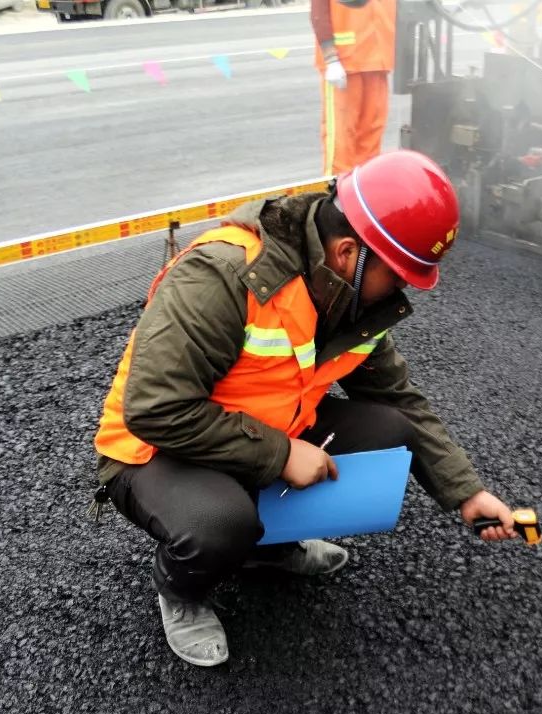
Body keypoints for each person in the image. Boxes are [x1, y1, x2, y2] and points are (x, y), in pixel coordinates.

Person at [93, 150, 519, 668]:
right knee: (220, 522)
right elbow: (155, 410)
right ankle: (181, 590)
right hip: (152, 450)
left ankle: (264, 548)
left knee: (391, 430)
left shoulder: (352, 300)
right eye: (400, 273)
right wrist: (279, 454)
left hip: (255, 432)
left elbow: (398, 396)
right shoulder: (225, 274)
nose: (405, 287)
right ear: (346, 253)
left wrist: (466, 493)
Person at [310, 0, 396, 175]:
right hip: (345, 62)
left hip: (378, 61)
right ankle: (337, 195)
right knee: (341, 142)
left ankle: (365, 189)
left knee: (371, 138)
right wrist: (331, 58)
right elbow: (319, 10)